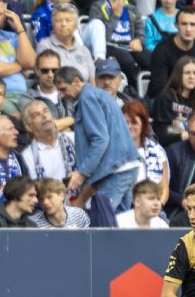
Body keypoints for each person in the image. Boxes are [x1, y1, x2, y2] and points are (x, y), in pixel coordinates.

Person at [56, 65, 140, 212]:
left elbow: (100, 140)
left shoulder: (87, 98)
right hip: (126, 166)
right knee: (119, 221)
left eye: (64, 89)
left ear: (76, 81)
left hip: (116, 170)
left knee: (101, 219)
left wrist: (82, 172)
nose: (62, 95)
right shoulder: (97, 94)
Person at [148, 6, 195, 100]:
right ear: (176, 25)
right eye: (184, 24)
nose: (188, 29)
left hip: (193, 101)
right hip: (163, 101)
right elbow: (158, 88)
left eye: (193, 24)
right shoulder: (162, 50)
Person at [152, 55, 195, 149]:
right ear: (178, 75)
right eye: (187, 73)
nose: (192, 77)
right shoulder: (165, 98)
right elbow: (161, 130)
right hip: (172, 148)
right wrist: (183, 134)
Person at [124, 100, 170, 203]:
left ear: (143, 125)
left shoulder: (157, 151)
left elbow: (164, 188)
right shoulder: (112, 151)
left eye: (134, 123)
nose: (129, 127)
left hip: (153, 207)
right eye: (125, 123)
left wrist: (158, 205)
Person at [20, 99, 76, 180]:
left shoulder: (73, 138)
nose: (44, 116)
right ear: (28, 127)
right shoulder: (27, 156)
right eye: (36, 115)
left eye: (46, 111)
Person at [37, 4, 95, 83]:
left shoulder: (84, 51)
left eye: (68, 20)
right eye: (59, 21)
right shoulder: (44, 46)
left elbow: (92, 82)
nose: (63, 24)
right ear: (53, 25)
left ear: (76, 25)